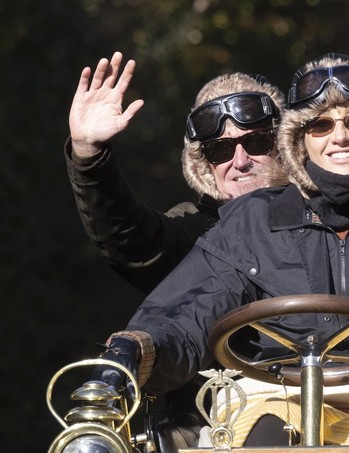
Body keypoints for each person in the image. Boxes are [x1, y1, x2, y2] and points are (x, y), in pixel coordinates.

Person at [88, 53, 349, 445]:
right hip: (274, 395)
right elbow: (183, 307)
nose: (339, 137)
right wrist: (134, 349)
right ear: (299, 140)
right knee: (254, 452)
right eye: (320, 125)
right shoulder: (243, 224)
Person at [67, 52, 286, 294]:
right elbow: (129, 239)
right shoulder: (192, 234)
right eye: (220, 149)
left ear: (282, 146)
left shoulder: (318, 215)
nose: (241, 160)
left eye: (255, 142)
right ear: (204, 164)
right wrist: (89, 152)